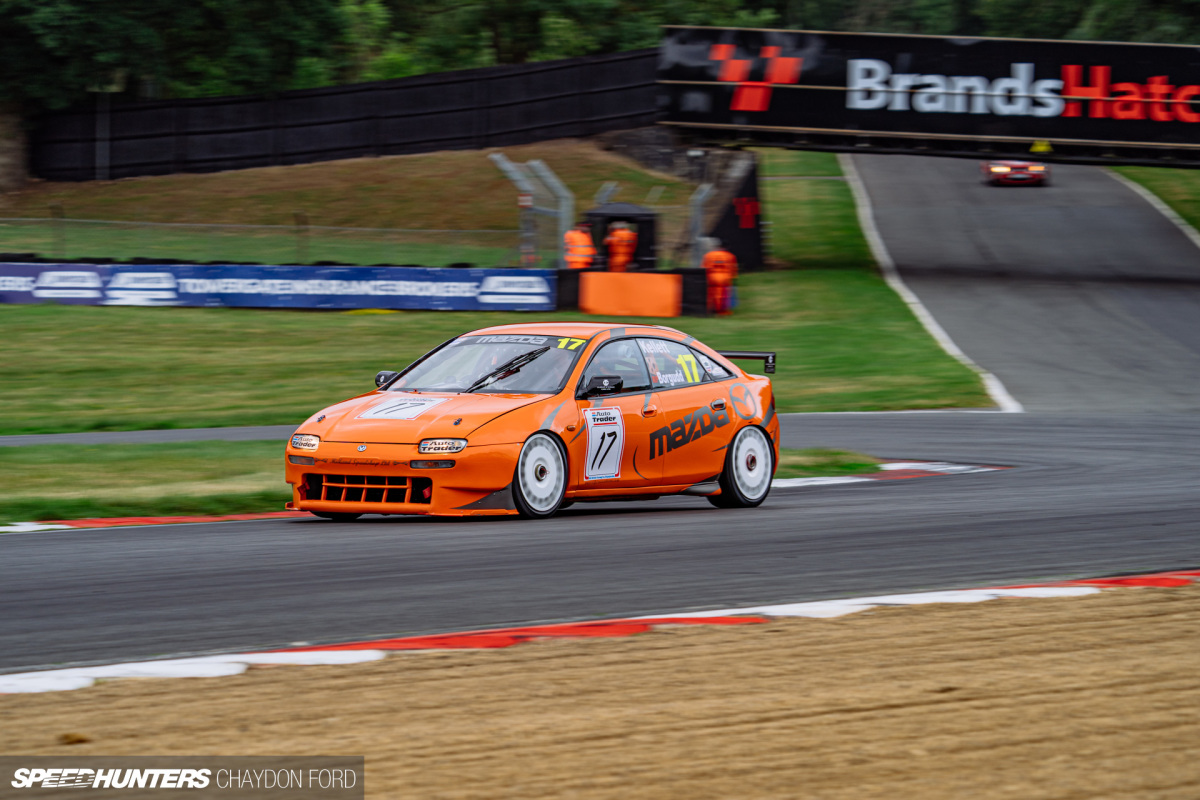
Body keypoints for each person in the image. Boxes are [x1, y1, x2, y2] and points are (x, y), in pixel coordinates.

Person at [702, 238, 738, 316]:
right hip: (724, 278)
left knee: (711, 294)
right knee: (723, 295)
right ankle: (721, 311)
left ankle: (711, 309)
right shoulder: (730, 256)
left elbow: (703, 267)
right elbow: (733, 268)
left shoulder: (708, 255)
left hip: (711, 277)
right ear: (726, 247)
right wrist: (733, 277)